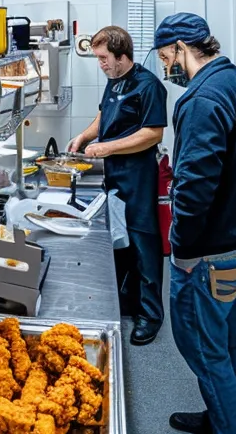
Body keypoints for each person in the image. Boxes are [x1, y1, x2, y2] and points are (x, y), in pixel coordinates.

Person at [153, 13, 236, 434]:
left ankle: (227, 423)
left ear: (182, 48)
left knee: (203, 344)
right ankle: (221, 413)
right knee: (228, 322)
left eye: (168, 59)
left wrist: (182, 252)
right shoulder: (233, 79)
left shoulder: (201, 100)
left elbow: (195, 189)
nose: (168, 69)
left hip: (211, 249)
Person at [67, 26, 168, 345]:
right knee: (120, 242)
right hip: (113, 177)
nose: (100, 64)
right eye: (98, 58)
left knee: (144, 244)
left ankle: (151, 315)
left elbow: (153, 133)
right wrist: (86, 136)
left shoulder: (148, 85)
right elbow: (103, 117)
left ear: (122, 55)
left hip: (138, 176)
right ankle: (128, 301)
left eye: (103, 58)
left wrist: (108, 147)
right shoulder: (113, 82)